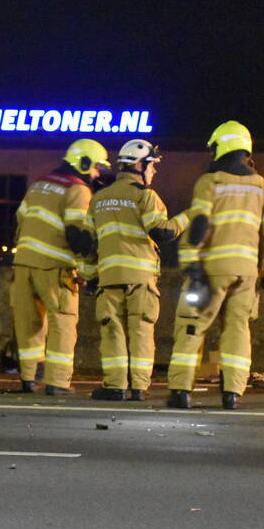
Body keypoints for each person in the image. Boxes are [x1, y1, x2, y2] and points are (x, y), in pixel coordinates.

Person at [166, 121, 264, 410]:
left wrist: (191, 264)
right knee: (237, 330)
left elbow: (200, 224)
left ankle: (181, 391)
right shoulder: (261, 185)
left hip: (211, 269)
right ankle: (232, 394)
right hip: (247, 273)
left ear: (222, 146)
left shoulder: (211, 181)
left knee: (192, 326)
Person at [86, 140, 190, 401]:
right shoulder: (144, 195)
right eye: (152, 165)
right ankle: (138, 388)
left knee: (112, 332)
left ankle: (115, 386)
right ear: (138, 165)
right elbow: (162, 231)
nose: (154, 171)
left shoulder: (98, 199)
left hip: (109, 279)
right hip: (140, 279)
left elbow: (88, 244)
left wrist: (89, 276)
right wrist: (189, 217)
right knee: (141, 331)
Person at [11, 139, 110, 395]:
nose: (97, 173)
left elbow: (19, 220)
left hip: (23, 265)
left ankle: (29, 378)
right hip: (55, 268)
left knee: (28, 323)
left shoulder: (39, 185)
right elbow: (76, 233)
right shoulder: (78, 189)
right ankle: (57, 382)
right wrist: (90, 260)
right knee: (62, 323)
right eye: (97, 167)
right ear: (84, 162)